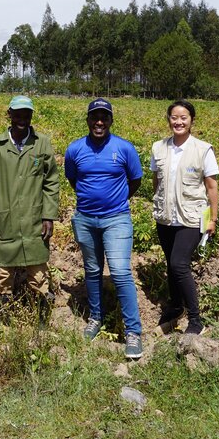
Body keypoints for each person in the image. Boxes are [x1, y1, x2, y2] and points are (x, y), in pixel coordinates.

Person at [65, 98, 144, 360]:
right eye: (94, 117)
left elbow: (136, 180)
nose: (99, 122)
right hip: (85, 219)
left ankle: (133, 331)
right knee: (92, 269)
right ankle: (96, 317)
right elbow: (73, 178)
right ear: (87, 120)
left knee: (120, 271)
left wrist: (115, 199)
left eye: (104, 117)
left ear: (111, 120)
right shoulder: (75, 149)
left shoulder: (124, 148)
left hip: (116, 219)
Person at [0, 95, 60, 323]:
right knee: (4, 272)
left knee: (37, 272)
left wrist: (48, 215)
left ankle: (41, 316)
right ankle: (5, 313)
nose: (21, 119)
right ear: (9, 114)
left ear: (31, 116)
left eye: (26, 114)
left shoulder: (41, 143)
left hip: (34, 218)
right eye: (17, 114)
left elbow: (51, 182)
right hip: (4, 218)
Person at [150, 100, 219, 336]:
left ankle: (195, 319)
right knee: (171, 264)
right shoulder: (158, 148)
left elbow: (211, 187)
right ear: (168, 119)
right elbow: (156, 180)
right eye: (174, 117)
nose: (178, 122)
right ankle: (175, 307)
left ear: (191, 121)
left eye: (184, 117)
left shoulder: (203, 149)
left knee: (180, 264)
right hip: (165, 218)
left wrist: (213, 219)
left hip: (191, 218)